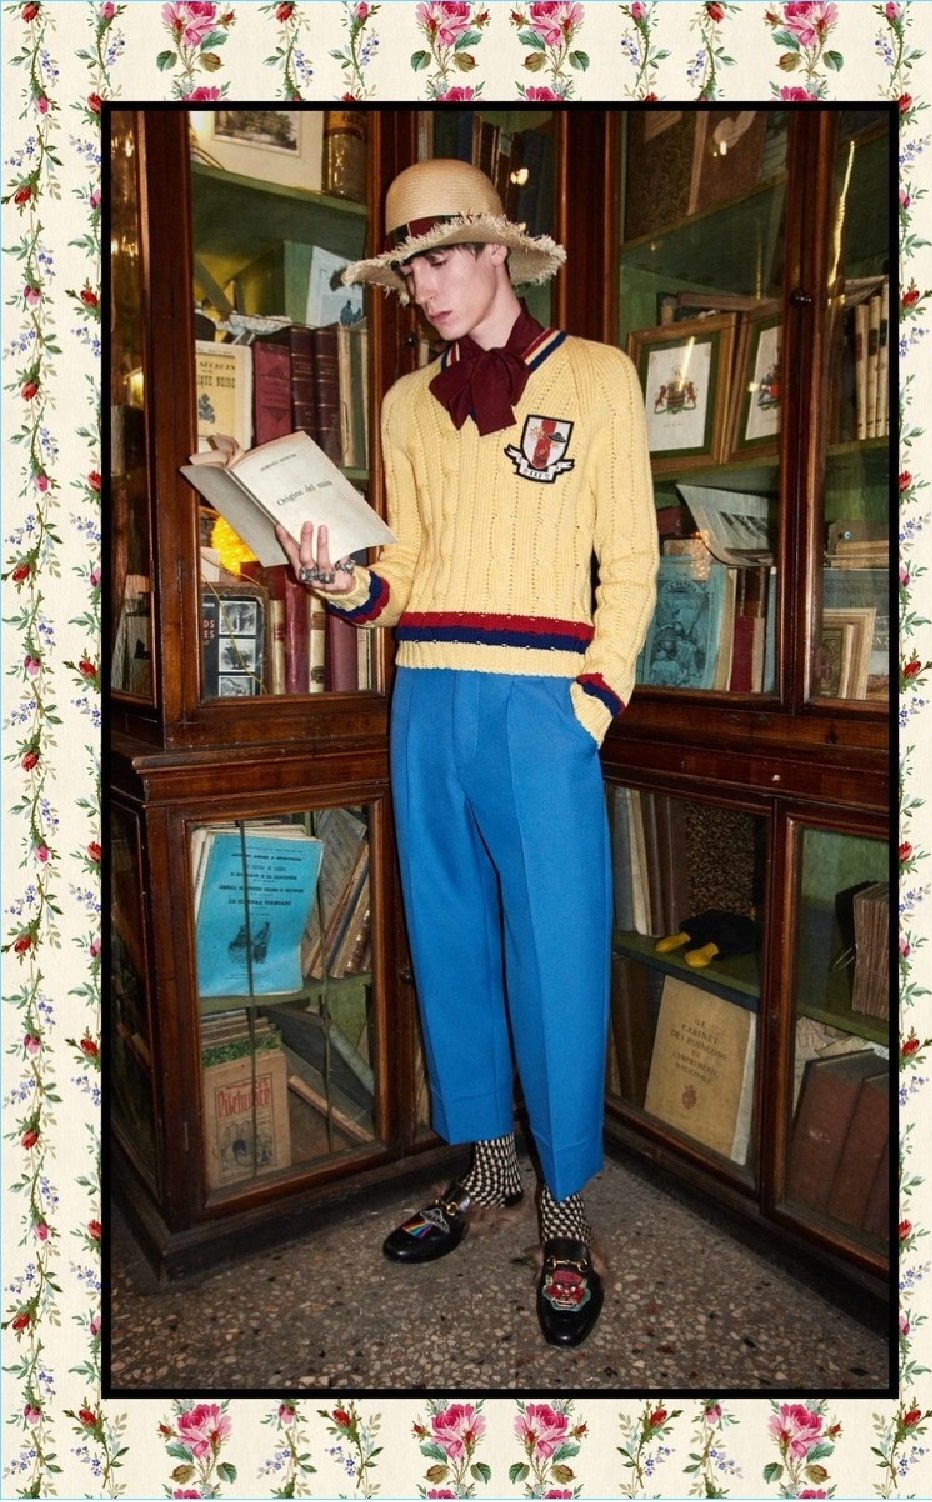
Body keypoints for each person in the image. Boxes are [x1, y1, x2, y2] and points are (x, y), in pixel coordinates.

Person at [276, 157, 657, 1347]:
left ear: (498, 249)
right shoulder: (405, 403)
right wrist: (343, 583)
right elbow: (408, 571)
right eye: (409, 270)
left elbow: (631, 561)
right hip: (428, 696)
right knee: (447, 940)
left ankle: (564, 1205)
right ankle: (490, 1163)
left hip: (543, 703)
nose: (426, 287)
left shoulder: (597, 376)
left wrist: (591, 706)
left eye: (441, 258)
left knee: (558, 951)